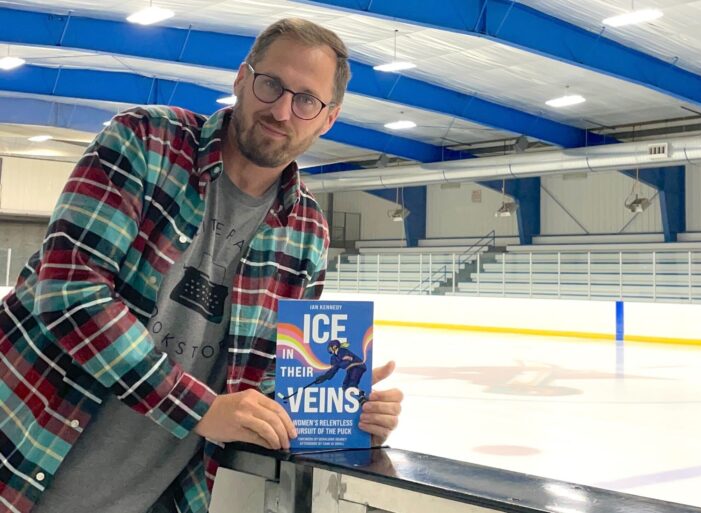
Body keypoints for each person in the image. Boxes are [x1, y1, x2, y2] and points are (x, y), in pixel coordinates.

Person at [0, 18, 403, 513]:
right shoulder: (144, 141)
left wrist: (343, 409)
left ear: (328, 119)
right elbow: (69, 294)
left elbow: (266, 382)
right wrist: (201, 408)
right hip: (18, 462)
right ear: (241, 78)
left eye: (306, 100)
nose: (281, 110)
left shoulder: (307, 233)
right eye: (271, 84)